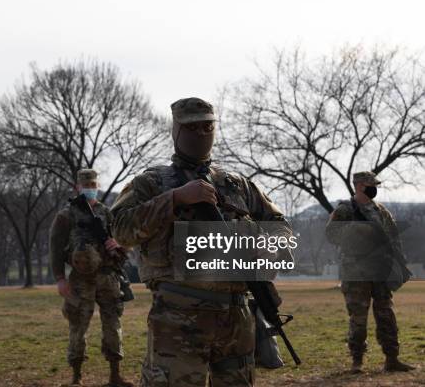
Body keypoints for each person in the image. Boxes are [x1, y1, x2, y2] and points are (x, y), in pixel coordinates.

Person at [110, 97, 293, 386]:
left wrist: (266, 249)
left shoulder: (236, 183)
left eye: (208, 126)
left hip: (236, 316)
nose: (202, 133)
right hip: (178, 317)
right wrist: (175, 198)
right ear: (176, 131)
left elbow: (281, 228)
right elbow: (120, 229)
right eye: (192, 127)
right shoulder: (151, 183)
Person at [50, 169, 133, 387]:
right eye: (86, 185)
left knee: (113, 324)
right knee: (78, 326)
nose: (90, 189)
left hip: (108, 277)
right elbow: (55, 248)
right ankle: (76, 378)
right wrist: (60, 278)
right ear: (77, 187)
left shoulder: (106, 212)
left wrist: (119, 245)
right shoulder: (66, 215)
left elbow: (123, 238)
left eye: (94, 185)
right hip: (80, 279)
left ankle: (115, 376)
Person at [325, 171, 414, 373]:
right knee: (358, 317)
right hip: (356, 271)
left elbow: (393, 238)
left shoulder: (381, 211)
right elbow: (331, 234)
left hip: (380, 269)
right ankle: (357, 362)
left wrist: (399, 263)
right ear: (358, 185)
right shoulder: (345, 210)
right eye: (369, 184)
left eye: (374, 184)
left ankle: (392, 359)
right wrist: (358, 230)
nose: (374, 187)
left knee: (386, 314)